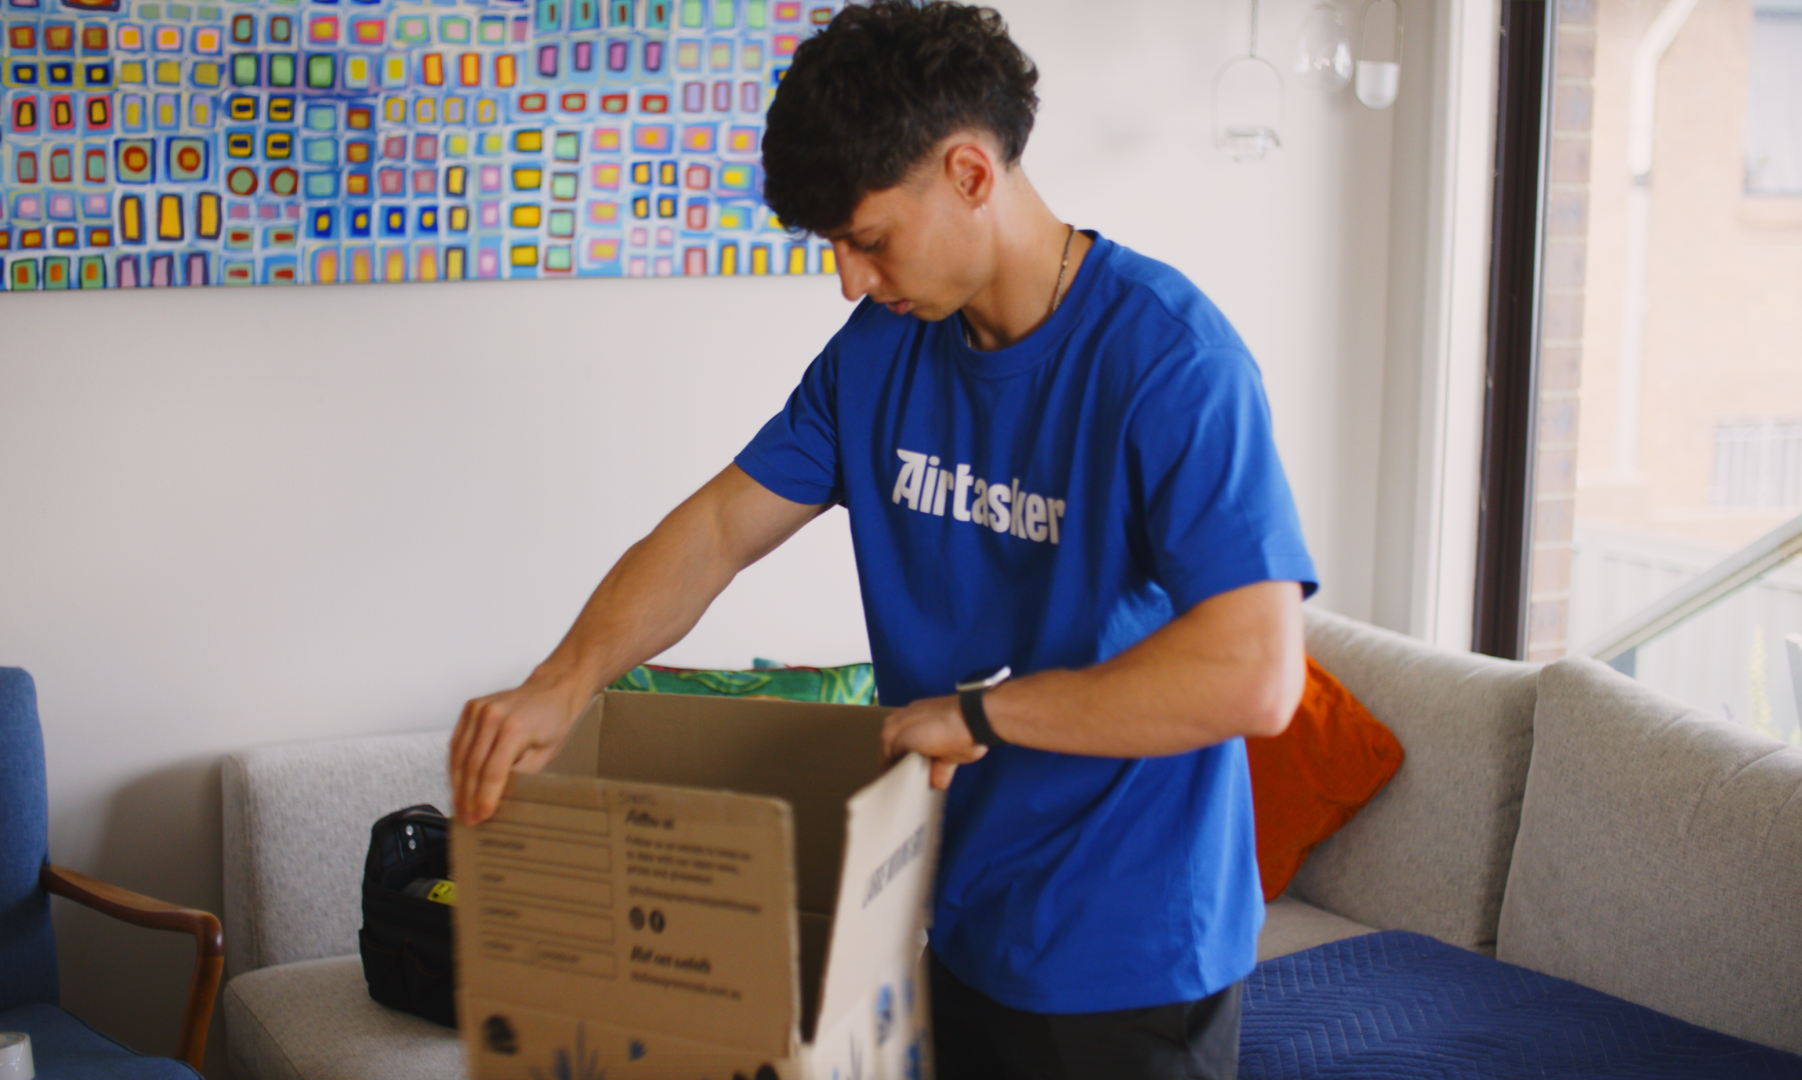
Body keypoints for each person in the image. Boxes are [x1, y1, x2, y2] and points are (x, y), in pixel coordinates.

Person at [448, 2, 1317, 1076]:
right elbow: (720, 528)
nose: (849, 279)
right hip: (950, 910)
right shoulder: (878, 355)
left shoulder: (1171, 363)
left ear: (967, 174)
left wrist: (980, 716)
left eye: (867, 241)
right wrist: (562, 683)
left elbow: (1255, 675)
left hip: (1132, 950)